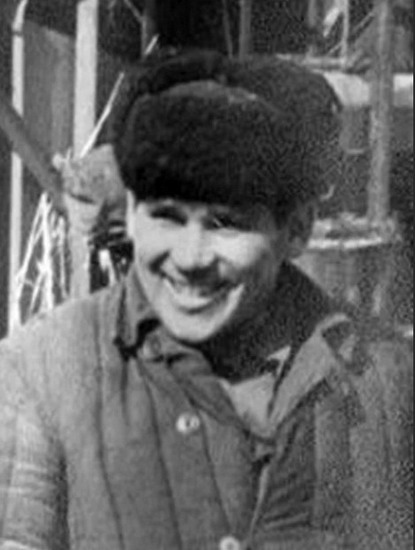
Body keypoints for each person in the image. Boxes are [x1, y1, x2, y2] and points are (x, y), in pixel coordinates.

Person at [0, 50, 412, 550]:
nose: (189, 257)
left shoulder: (387, 380)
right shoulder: (43, 370)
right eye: (166, 216)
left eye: (224, 224)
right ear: (132, 213)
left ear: (296, 229)